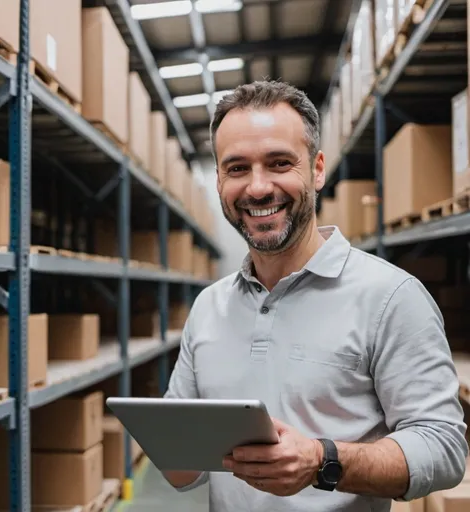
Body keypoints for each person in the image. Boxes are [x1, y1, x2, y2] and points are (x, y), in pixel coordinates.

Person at [162, 80, 468, 511]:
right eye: (237, 168)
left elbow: (444, 447)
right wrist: (171, 451)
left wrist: (323, 461)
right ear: (218, 181)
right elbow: (180, 459)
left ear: (318, 169)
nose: (257, 188)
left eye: (280, 163)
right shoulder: (208, 307)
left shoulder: (391, 297)